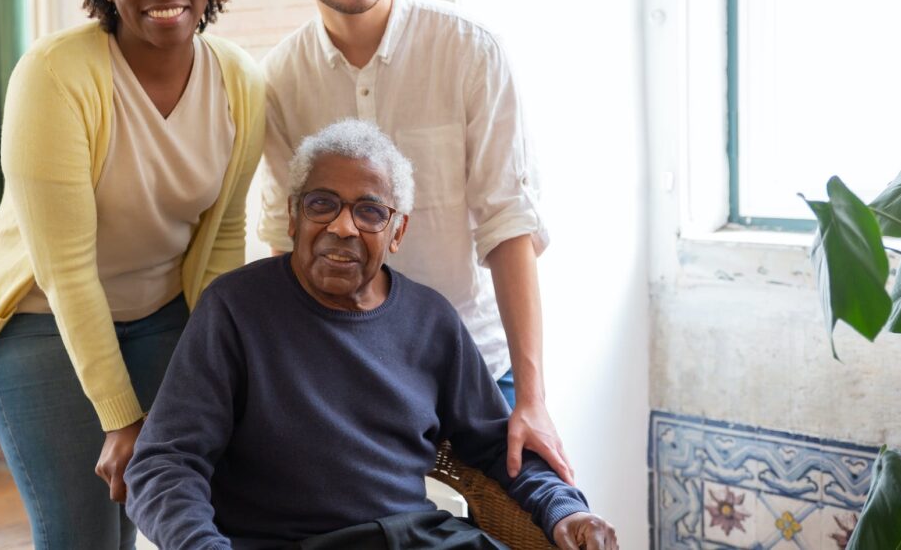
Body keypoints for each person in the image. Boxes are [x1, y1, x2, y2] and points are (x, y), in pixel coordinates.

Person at [0, 0, 264, 549]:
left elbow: (225, 236)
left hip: (162, 316)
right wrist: (120, 417)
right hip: (42, 323)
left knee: (177, 511)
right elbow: (64, 269)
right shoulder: (55, 74)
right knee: (84, 534)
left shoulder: (240, 80)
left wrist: (220, 366)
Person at [125, 120, 617, 550]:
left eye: (369, 211)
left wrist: (565, 510)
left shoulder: (432, 321)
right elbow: (163, 465)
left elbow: (497, 447)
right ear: (293, 217)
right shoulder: (234, 309)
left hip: (419, 537)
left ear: (397, 231)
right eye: (323, 204)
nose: (343, 227)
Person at [258, 0, 572, 484]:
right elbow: (282, 242)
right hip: (339, 372)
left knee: (543, 514)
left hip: (477, 367)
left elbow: (510, 225)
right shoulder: (277, 82)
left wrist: (533, 400)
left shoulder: (471, 51)